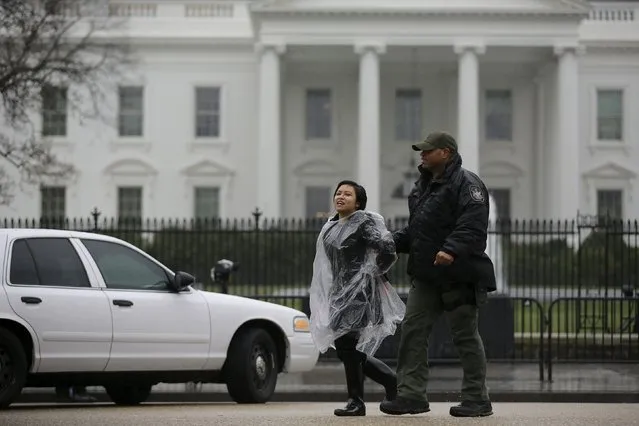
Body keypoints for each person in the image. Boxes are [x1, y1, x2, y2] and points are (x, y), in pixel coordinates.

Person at [379, 131, 497, 418]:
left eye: (428, 150)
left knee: (465, 336)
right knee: (413, 331)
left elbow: (473, 224)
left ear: (445, 152)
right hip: (427, 276)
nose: (422, 154)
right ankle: (411, 395)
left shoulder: (467, 183)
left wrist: (451, 250)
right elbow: (417, 232)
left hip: (459, 274)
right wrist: (389, 242)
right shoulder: (422, 187)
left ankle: (477, 399)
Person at [309, 180, 406, 417]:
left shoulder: (362, 222)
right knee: (345, 349)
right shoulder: (331, 227)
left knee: (346, 347)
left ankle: (359, 399)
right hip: (340, 292)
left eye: (348, 194)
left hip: (360, 292)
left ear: (358, 202)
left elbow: (386, 248)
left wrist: (373, 272)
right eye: (338, 192)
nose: (341, 197)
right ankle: (386, 383)